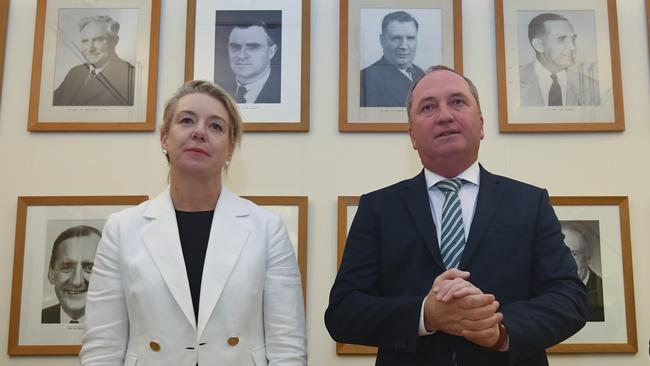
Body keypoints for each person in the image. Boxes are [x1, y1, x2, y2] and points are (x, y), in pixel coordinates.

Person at [325, 65, 587, 365]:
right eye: (428, 107)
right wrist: (427, 314)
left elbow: (570, 298)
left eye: (458, 102)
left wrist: (499, 330)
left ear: (481, 125)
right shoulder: (378, 208)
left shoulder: (530, 202)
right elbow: (343, 312)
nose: (445, 115)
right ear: (412, 135)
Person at [80, 80, 306, 365]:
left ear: (230, 149)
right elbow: (102, 346)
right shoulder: (122, 229)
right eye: (187, 120)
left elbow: (287, 345)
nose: (199, 132)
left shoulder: (267, 228)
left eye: (216, 126)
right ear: (164, 137)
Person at [519, 13, 600, 107]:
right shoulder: (513, 80)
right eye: (562, 39)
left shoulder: (592, 87)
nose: (572, 47)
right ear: (539, 45)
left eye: (573, 39)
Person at [53, 15, 135, 106]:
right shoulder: (75, 72)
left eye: (98, 40)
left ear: (115, 41)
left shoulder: (130, 75)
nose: (90, 48)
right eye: (85, 41)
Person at [360, 11, 425, 108]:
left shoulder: (421, 74)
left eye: (410, 38)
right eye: (396, 38)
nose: (404, 46)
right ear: (382, 40)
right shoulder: (364, 78)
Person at [42, 225, 101, 324]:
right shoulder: (36, 321)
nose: (76, 282)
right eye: (66, 268)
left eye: (89, 268)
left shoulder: (120, 323)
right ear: (51, 272)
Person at [222, 21, 280, 104]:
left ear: (271, 52)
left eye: (252, 47)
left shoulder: (282, 93)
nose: (242, 56)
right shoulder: (217, 90)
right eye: (235, 47)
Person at [562, 222, 604, 321]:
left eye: (574, 254)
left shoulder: (603, 290)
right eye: (561, 253)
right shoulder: (546, 289)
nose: (565, 261)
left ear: (587, 258)